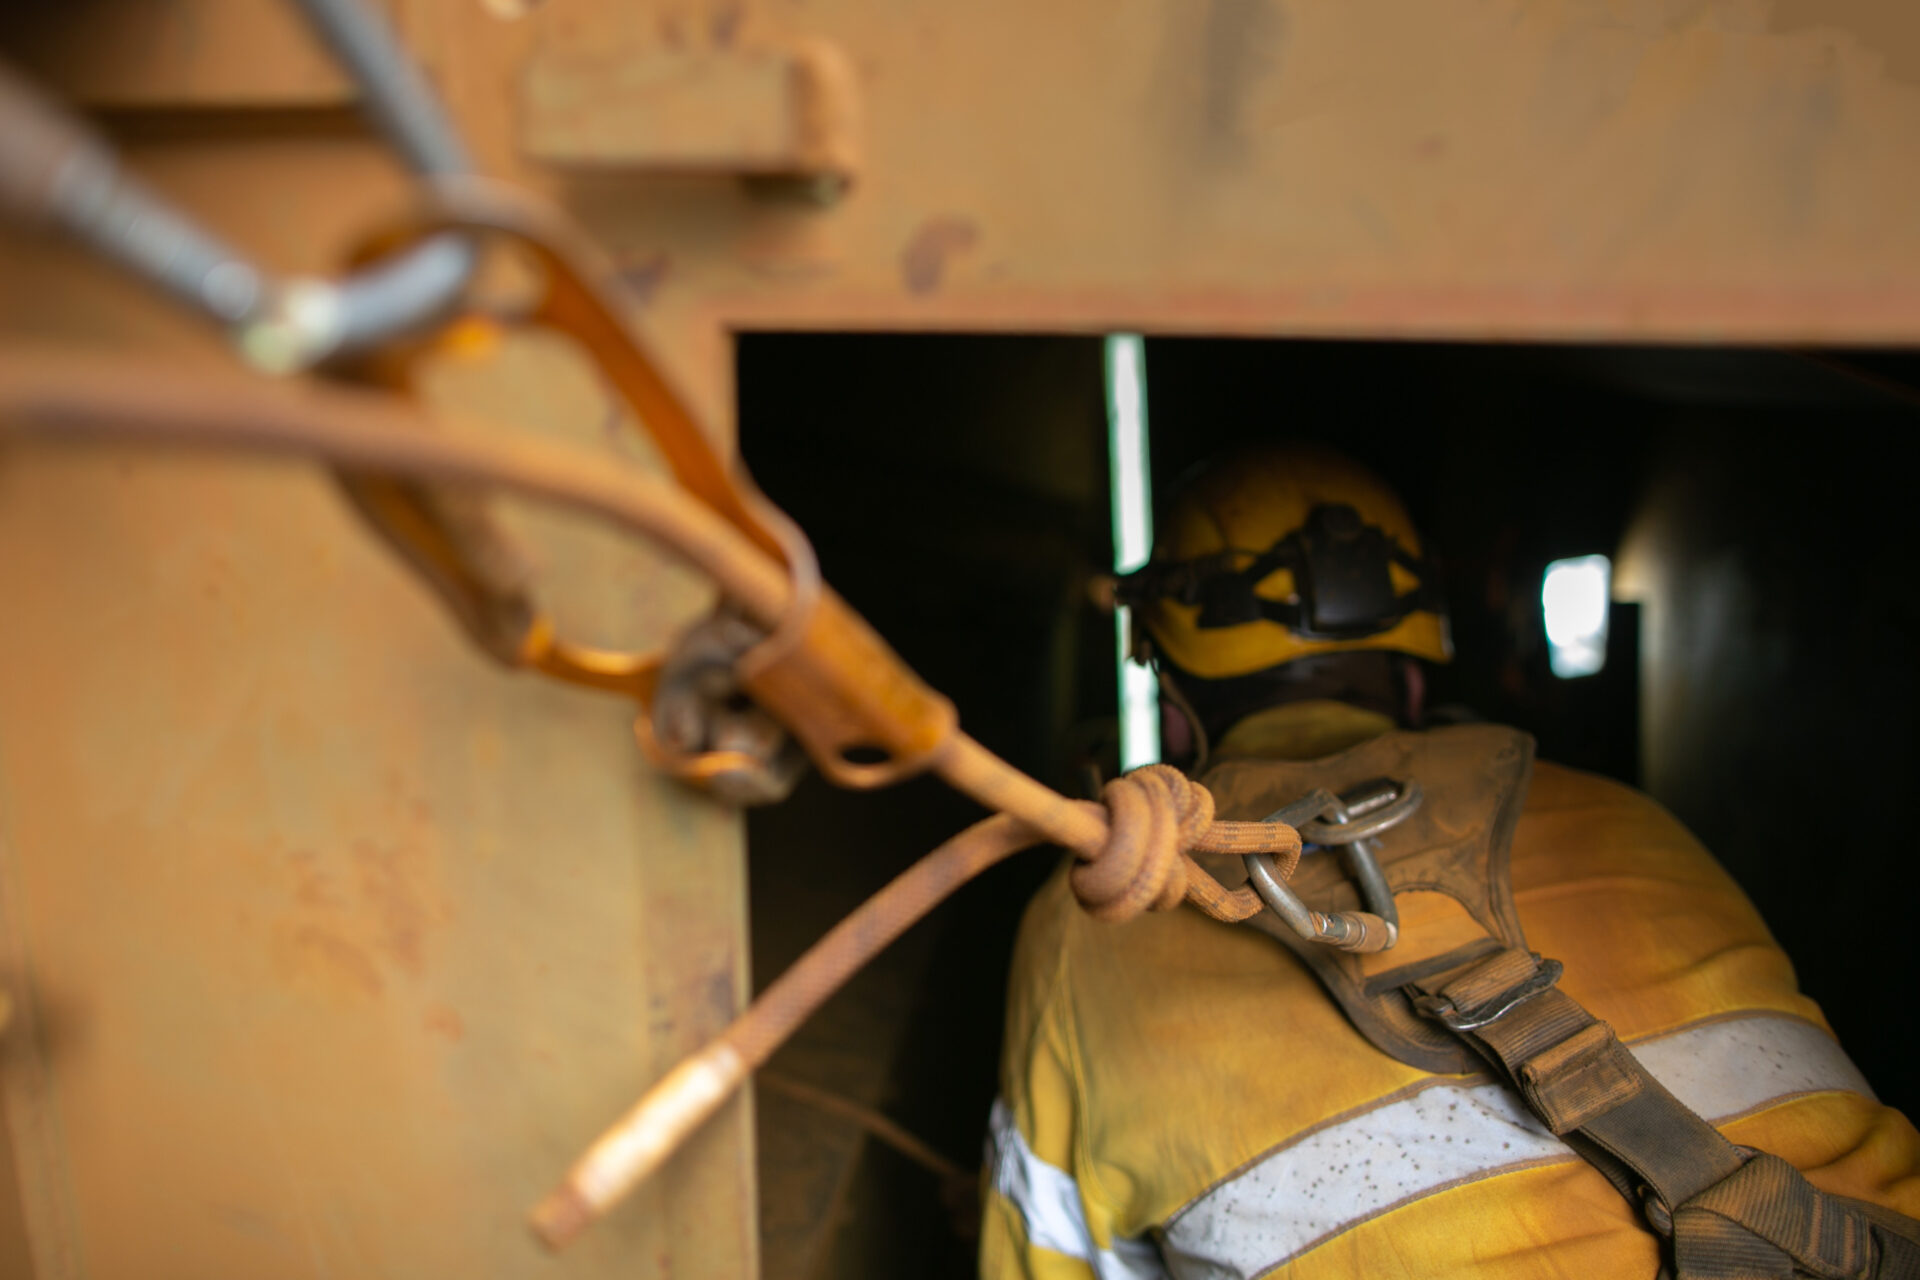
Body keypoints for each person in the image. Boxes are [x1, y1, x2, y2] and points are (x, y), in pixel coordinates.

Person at [980, 442, 1920, 1279]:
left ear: (1170, 689)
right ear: (1422, 663)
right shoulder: (1631, 817)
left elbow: (1046, 1259)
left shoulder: (1093, 918)